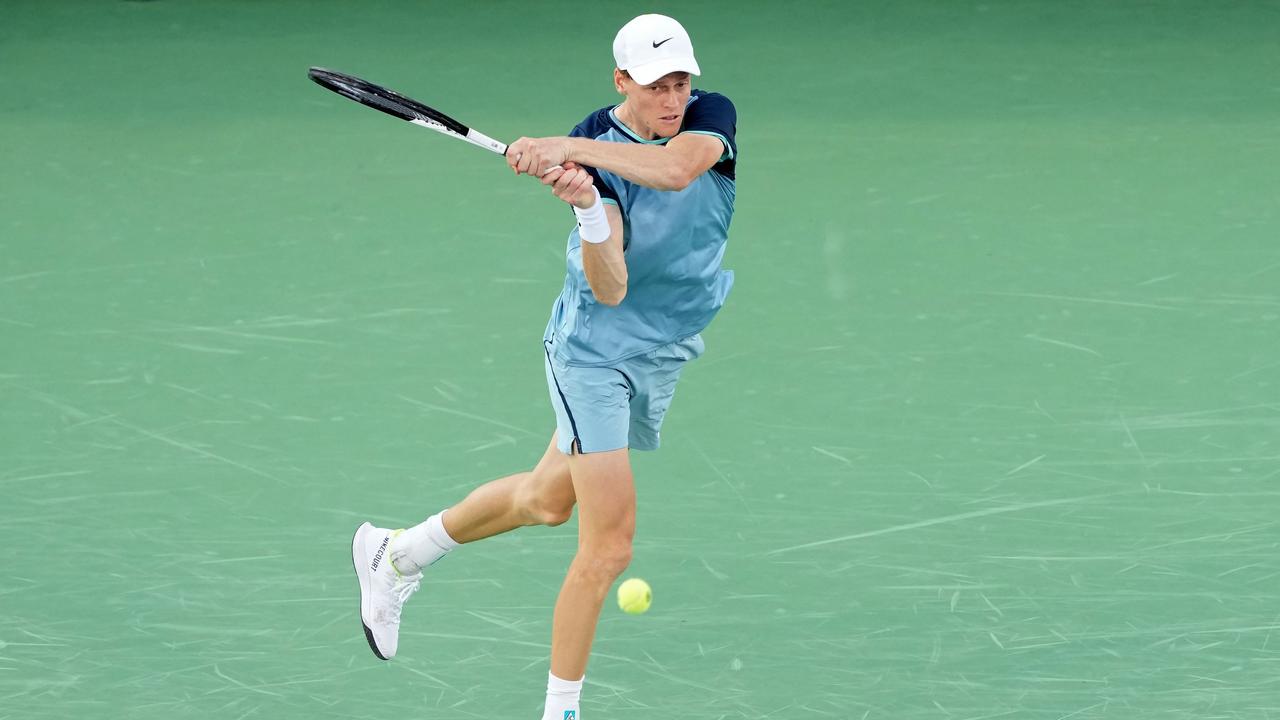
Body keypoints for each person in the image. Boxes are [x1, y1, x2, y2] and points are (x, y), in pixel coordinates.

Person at [351, 13, 737, 719]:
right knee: (609, 546)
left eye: (680, 81)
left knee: (545, 501)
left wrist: (568, 148)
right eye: (656, 86)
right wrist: (589, 206)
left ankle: (398, 554)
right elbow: (612, 287)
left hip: (665, 347)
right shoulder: (599, 157)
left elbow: (682, 170)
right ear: (622, 81)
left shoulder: (708, 118)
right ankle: (560, 711)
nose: (673, 98)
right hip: (597, 355)